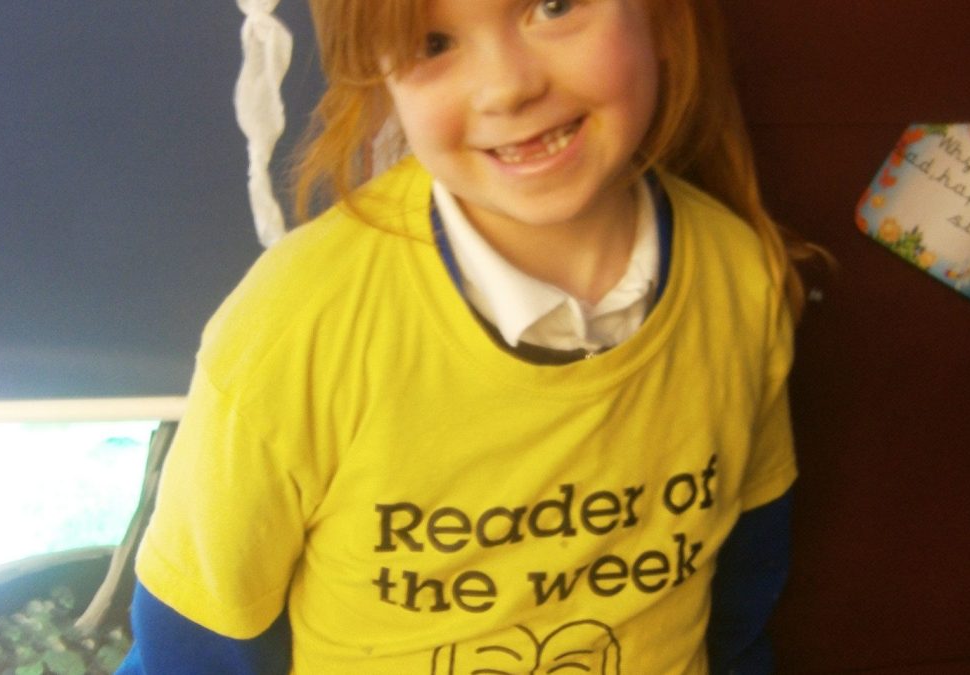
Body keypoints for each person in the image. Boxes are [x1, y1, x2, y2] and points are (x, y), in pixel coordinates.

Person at [119, 0, 822, 672]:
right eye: (433, 44)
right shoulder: (296, 324)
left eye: (554, 6)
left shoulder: (740, 276)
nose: (508, 87)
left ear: (662, 17)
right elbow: (197, 636)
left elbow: (746, 577)